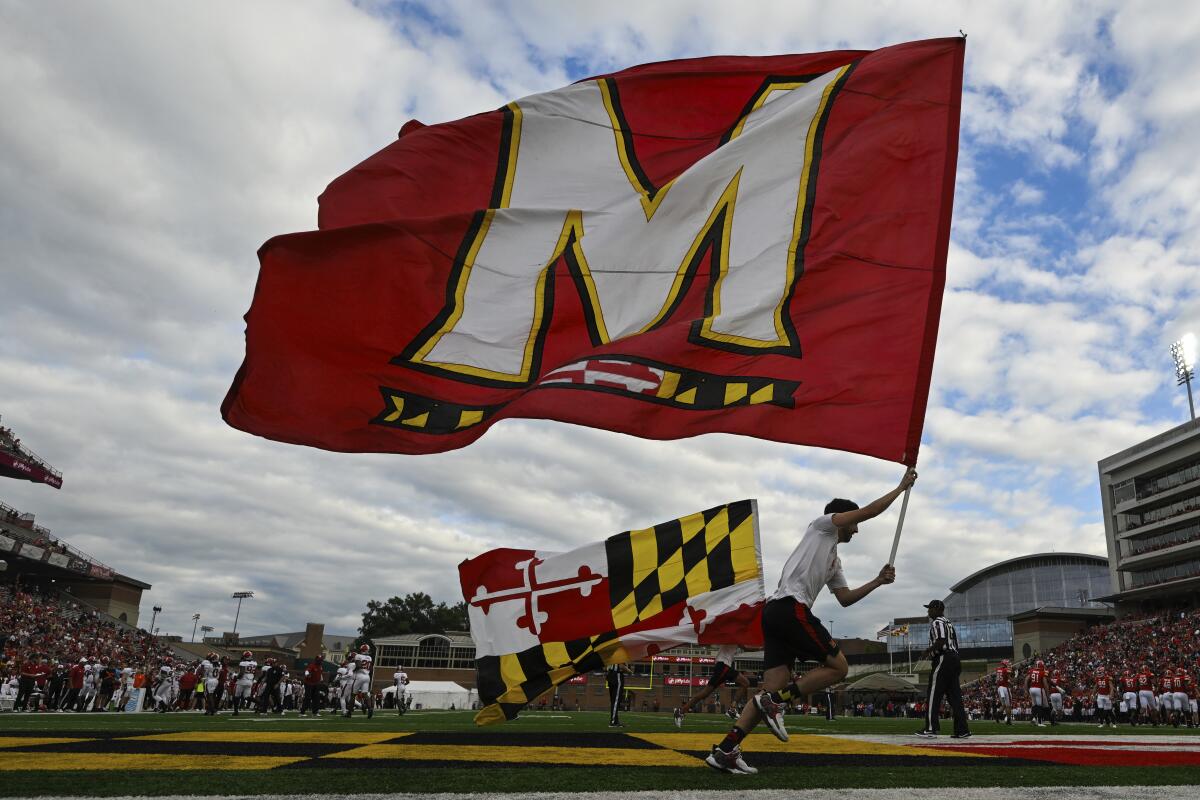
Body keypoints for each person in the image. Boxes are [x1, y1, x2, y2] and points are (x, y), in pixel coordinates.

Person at [705, 467, 916, 774]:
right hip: (790, 608)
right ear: (842, 517)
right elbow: (869, 512)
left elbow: (844, 599)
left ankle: (727, 749)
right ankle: (778, 702)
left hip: (776, 616)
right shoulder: (821, 526)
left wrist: (878, 581)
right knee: (839, 668)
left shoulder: (834, 558)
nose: (856, 530)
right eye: (853, 522)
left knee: (769, 691)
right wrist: (900, 489)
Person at [913, 600, 969, 739]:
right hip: (954, 658)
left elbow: (942, 640)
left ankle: (931, 729)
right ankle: (962, 730)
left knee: (933, 693)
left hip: (944, 658)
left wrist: (927, 651)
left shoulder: (938, 622)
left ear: (938, 609)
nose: (928, 611)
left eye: (930, 608)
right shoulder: (948, 622)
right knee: (955, 697)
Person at [675, 645, 748, 728]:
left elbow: (744, 647)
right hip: (723, 666)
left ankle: (681, 711)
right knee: (745, 683)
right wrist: (761, 647)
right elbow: (746, 647)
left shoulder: (734, 638)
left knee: (705, 693)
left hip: (723, 667)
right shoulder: (732, 636)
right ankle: (732, 710)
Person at [347, 644, 374, 719]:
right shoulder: (369, 657)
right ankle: (370, 708)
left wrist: (352, 670)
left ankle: (349, 712)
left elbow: (358, 666)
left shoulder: (358, 656)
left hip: (359, 676)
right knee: (365, 694)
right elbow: (371, 669)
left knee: (353, 695)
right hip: (367, 676)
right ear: (367, 650)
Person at [606, 662, 633, 727]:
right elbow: (621, 666)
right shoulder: (620, 655)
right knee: (616, 701)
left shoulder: (612, 655)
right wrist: (630, 671)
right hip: (617, 676)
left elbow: (606, 667)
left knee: (614, 701)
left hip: (610, 675)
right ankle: (613, 722)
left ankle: (615, 720)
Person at [1024, 659, 1049, 727]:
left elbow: (1026, 680)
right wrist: (1047, 693)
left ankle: (1033, 719)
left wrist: (1026, 690)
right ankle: (1040, 722)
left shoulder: (1031, 671)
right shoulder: (1042, 672)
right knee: (1039, 706)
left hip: (1031, 689)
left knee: (1034, 705)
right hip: (1038, 689)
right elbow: (1045, 684)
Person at [232, 651, 257, 716]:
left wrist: (236, 678)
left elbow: (241, 673)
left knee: (236, 696)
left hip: (242, 681)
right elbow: (254, 673)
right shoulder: (254, 663)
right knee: (247, 697)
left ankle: (236, 711)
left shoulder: (243, 663)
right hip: (250, 681)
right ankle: (260, 703)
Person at [994, 659, 1013, 725]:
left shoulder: (998, 669)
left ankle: (997, 715)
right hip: (1005, 688)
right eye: (1007, 663)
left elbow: (1003, 678)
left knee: (1003, 705)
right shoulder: (1005, 670)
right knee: (1008, 705)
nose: (1008, 664)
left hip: (999, 688)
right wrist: (1013, 679)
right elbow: (1009, 678)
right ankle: (1008, 720)